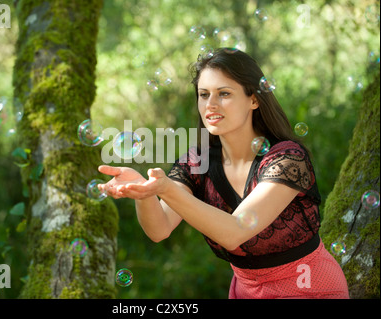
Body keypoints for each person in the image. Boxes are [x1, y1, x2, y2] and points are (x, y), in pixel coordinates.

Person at [98, 48, 349, 299]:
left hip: (309, 288)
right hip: (245, 291)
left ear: (254, 99)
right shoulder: (199, 160)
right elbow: (159, 229)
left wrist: (165, 189)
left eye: (224, 94)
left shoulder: (287, 159)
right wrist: (143, 191)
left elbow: (234, 232)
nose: (211, 105)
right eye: (204, 94)